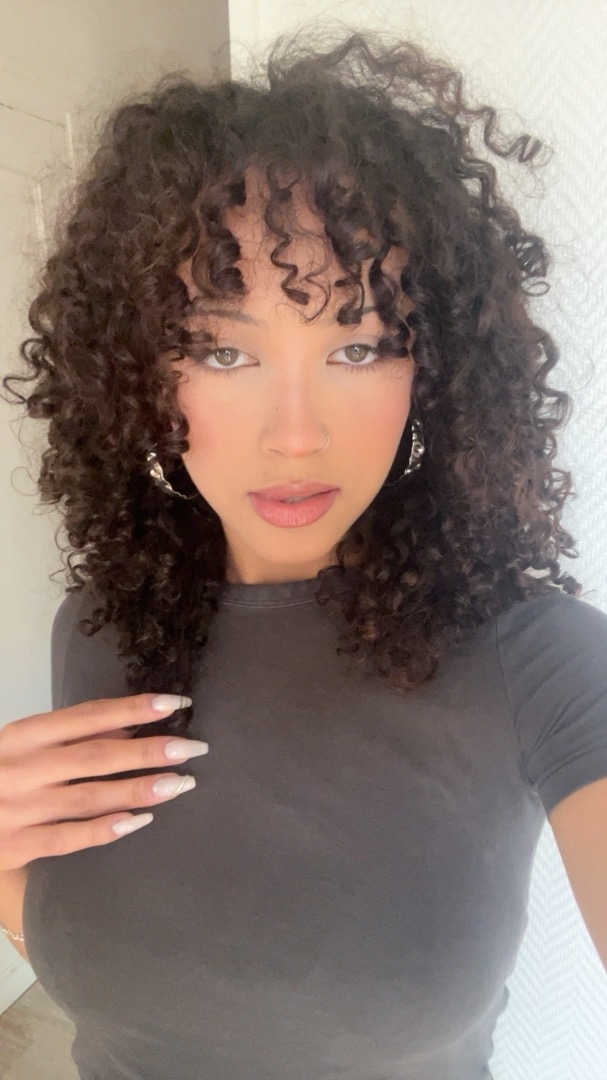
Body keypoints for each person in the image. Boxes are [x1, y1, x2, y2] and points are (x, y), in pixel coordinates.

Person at [1, 26, 606, 1080]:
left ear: (434, 373)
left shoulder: (538, 660)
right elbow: (120, 960)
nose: (294, 434)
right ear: (138, 374)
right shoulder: (100, 625)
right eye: (221, 350)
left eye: (358, 346)